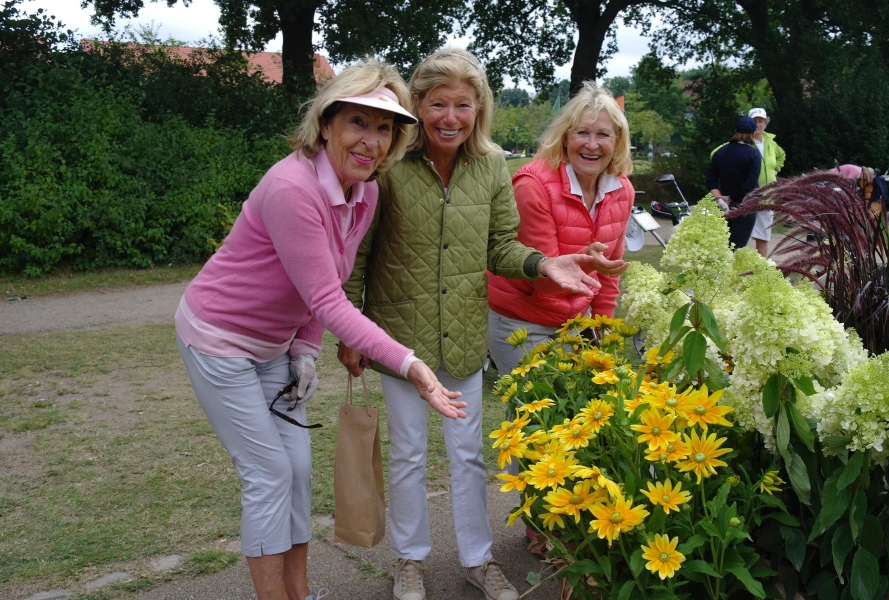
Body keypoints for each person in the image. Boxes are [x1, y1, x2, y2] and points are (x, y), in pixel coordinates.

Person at [174, 59, 467, 600]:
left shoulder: (365, 192)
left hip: (275, 347)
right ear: (327, 123)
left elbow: (326, 277)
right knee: (268, 474)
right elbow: (328, 299)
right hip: (220, 339)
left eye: (385, 128)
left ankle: (301, 592)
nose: (371, 141)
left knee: (298, 469)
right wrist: (411, 364)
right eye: (358, 122)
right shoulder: (292, 188)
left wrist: (305, 350)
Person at [338, 49, 604, 600]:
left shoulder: (490, 167)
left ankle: (478, 560)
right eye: (438, 104)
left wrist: (543, 264)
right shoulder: (389, 167)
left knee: (468, 454)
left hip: (462, 336)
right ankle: (409, 561)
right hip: (398, 337)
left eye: (463, 104)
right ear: (418, 104)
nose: (450, 117)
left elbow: (501, 246)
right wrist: (350, 330)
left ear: (479, 108)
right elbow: (357, 253)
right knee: (408, 454)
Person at [486, 82, 634, 376]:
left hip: (576, 320)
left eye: (603, 134)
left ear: (618, 141)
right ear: (565, 137)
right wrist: (590, 261)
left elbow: (609, 274)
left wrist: (602, 329)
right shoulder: (533, 186)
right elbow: (546, 282)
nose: (592, 144)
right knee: (534, 405)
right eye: (582, 132)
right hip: (522, 321)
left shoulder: (622, 190)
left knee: (582, 403)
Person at [707, 116, 761, 248]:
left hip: (722, 205)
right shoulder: (753, 154)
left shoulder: (720, 152)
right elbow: (750, 184)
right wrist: (731, 198)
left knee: (722, 245)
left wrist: (719, 197)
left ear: (735, 131)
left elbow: (711, 179)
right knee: (737, 247)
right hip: (745, 205)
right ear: (753, 133)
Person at [746, 108, 786, 257]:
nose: (758, 124)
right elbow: (719, 153)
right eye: (754, 121)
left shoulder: (770, 142)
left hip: (768, 195)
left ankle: (761, 266)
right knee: (740, 235)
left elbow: (781, 155)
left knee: (763, 237)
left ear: (765, 123)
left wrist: (775, 170)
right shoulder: (743, 141)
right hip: (747, 195)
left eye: (760, 121)